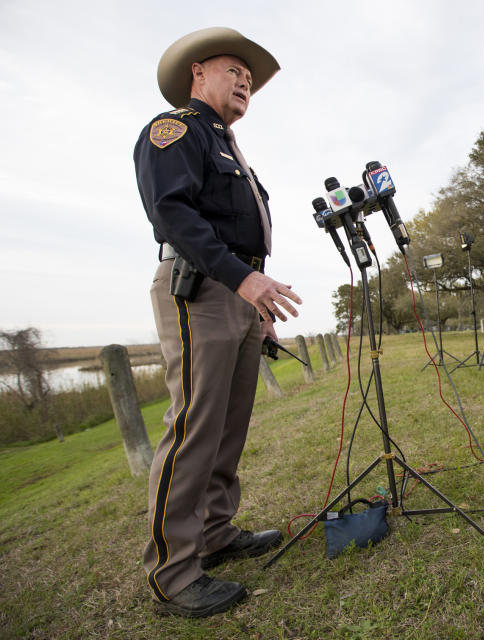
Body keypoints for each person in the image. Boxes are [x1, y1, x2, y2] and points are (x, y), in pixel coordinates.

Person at [134, 27, 302, 617]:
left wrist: (256, 302)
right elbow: (171, 212)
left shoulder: (226, 145)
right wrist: (244, 281)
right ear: (198, 73)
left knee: (229, 425)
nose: (245, 83)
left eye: (250, 80)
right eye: (235, 71)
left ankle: (215, 533)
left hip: (237, 292)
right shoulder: (174, 130)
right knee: (195, 426)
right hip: (201, 287)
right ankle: (174, 573)